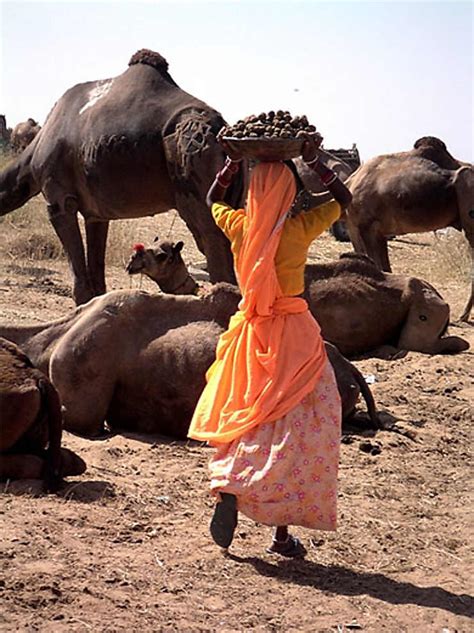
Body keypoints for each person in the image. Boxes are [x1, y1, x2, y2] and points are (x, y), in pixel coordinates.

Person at [187, 131, 353, 558]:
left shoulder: (241, 227)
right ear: (292, 194)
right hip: (294, 336)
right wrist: (316, 163)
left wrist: (230, 168)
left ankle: (229, 482)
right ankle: (280, 535)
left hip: (250, 333)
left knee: (247, 416)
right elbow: (344, 200)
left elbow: (212, 202)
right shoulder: (299, 228)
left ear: (254, 194)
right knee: (298, 426)